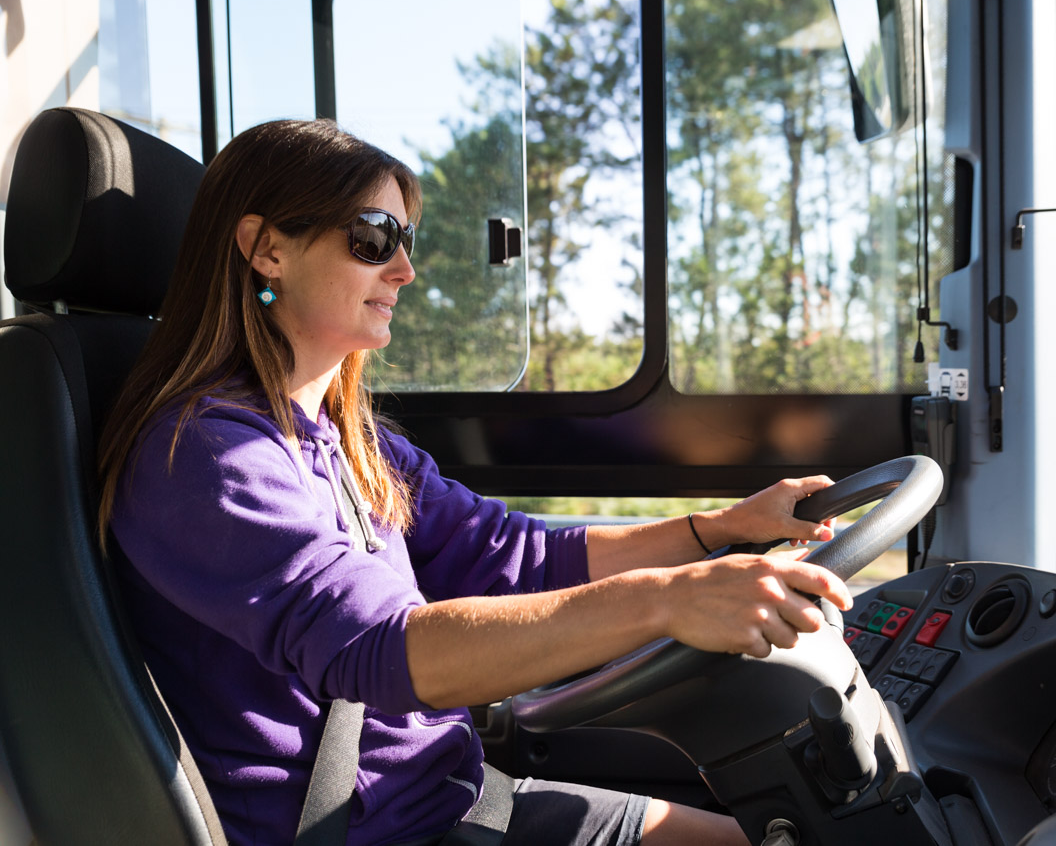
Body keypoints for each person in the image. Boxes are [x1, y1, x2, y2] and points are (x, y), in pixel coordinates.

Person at [96, 119, 852, 846]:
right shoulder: (205, 456)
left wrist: (718, 531)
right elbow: (381, 648)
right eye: (373, 238)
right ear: (267, 249)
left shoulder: (346, 438)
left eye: (407, 240)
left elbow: (512, 552)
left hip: (455, 798)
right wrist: (666, 600)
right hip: (364, 830)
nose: (404, 269)